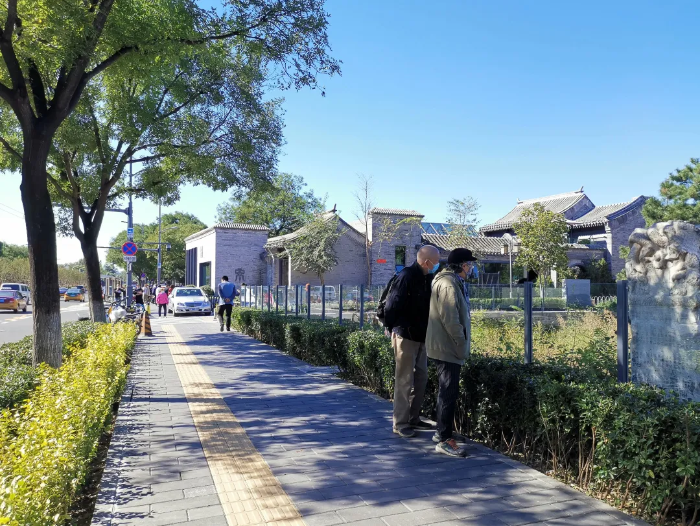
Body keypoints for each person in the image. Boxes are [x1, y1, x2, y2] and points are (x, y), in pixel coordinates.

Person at [383, 245, 441, 438]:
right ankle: (400, 423)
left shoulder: (429, 278)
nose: (438, 265)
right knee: (404, 380)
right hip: (405, 335)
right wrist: (391, 327)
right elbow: (392, 305)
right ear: (427, 262)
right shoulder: (406, 276)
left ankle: (413, 418)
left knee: (421, 378)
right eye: (436, 261)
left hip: (422, 336)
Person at [426, 247, 476, 458]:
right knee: (448, 392)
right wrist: (460, 343)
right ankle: (444, 440)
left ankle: (442, 432)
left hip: (445, 345)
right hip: (448, 347)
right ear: (463, 265)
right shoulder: (448, 284)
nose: (471, 269)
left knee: (446, 391)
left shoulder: (451, 281)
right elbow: (451, 319)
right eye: (470, 265)